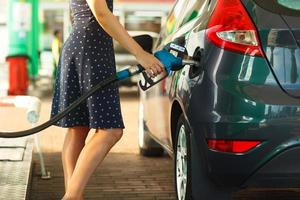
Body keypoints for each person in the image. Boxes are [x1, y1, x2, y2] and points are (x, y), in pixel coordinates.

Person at [50, 0, 164, 199]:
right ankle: (72, 196)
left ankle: (73, 195)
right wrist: (140, 53)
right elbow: (101, 12)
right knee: (110, 131)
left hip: (84, 45)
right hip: (91, 49)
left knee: (78, 128)